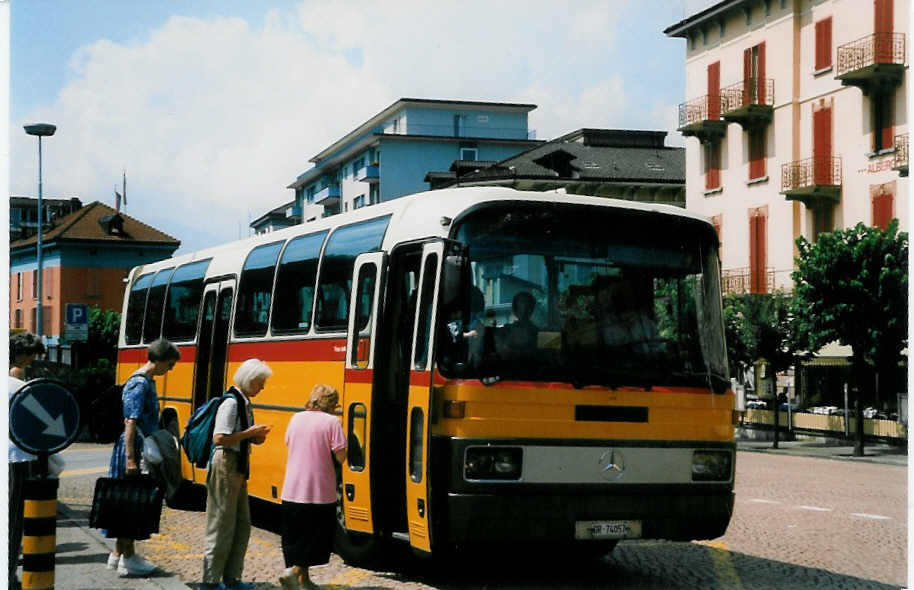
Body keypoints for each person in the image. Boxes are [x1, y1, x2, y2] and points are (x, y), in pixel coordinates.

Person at [105, 337, 180, 577]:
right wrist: (130, 458)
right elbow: (131, 422)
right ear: (158, 360)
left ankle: (119, 555)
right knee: (130, 503)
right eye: (169, 364)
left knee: (129, 501)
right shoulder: (140, 383)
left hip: (136, 446)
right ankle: (128, 558)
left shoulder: (146, 381)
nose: (171, 369)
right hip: (134, 448)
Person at [202, 359, 273, 590]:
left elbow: (236, 435)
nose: (262, 387)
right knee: (221, 524)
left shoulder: (243, 401)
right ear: (249, 380)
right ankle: (210, 581)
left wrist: (254, 437)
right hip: (226, 464)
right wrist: (248, 433)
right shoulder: (231, 403)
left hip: (238, 466)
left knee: (242, 524)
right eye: (260, 383)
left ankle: (232, 578)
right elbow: (219, 439)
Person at [278, 384, 347, 590]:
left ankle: (303, 581)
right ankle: (294, 573)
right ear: (331, 403)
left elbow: (288, 442)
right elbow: (341, 456)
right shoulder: (333, 422)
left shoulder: (296, 418)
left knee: (296, 535)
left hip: (292, 489)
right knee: (315, 537)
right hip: (319, 491)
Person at [9, 332, 45, 590]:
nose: (33, 360)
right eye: (31, 354)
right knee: (12, 520)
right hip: (17, 457)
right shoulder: (18, 383)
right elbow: (40, 421)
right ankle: (8, 575)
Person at [496, 291, 539, 356]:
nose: (525, 308)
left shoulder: (537, 332)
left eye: (527, 304)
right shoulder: (505, 330)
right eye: (522, 303)